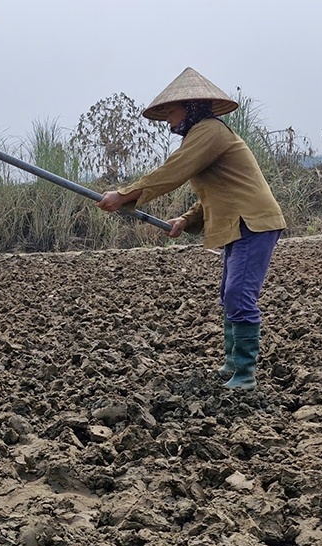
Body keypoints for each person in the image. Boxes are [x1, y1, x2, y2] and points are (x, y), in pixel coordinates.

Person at [97, 67, 287, 391]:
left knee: (238, 296)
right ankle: (232, 365)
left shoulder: (209, 131)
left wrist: (126, 195)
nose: (169, 121)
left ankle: (245, 375)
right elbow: (217, 192)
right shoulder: (205, 135)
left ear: (191, 106)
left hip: (252, 222)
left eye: (172, 112)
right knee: (230, 296)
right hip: (239, 222)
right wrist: (185, 220)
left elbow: (174, 170)